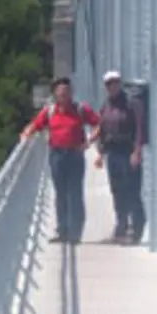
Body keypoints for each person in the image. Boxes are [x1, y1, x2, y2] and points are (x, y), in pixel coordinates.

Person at [20, 77, 101, 244]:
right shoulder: (50, 111)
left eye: (66, 92)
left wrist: (89, 141)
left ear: (71, 93)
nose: (63, 95)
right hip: (57, 155)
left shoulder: (80, 109)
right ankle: (63, 231)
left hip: (74, 155)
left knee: (75, 193)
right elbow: (36, 124)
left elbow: (100, 124)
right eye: (60, 93)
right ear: (55, 95)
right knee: (61, 194)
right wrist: (26, 133)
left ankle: (75, 233)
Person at [93, 70, 147, 244]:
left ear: (120, 84)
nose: (112, 86)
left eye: (115, 82)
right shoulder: (106, 106)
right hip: (113, 153)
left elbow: (139, 129)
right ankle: (121, 228)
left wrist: (137, 151)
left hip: (128, 152)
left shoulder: (132, 104)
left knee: (132, 191)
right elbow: (103, 130)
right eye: (109, 84)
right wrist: (100, 153)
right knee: (117, 192)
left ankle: (137, 229)